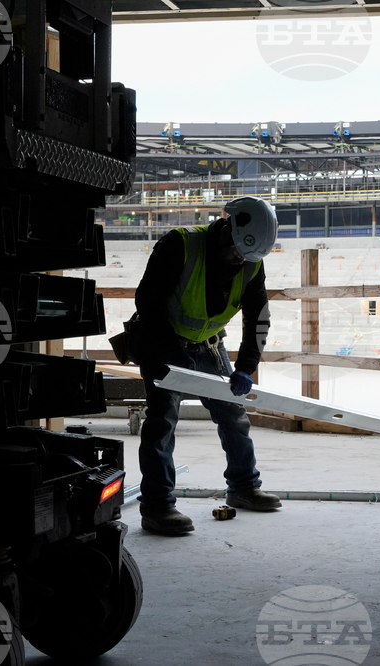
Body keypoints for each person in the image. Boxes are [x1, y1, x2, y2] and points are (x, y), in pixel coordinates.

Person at [133, 196, 281, 535]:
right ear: (228, 231)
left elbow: (258, 319)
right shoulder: (180, 245)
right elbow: (148, 303)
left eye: (245, 258)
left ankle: (244, 487)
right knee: (162, 424)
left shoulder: (250, 261)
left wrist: (246, 367)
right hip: (162, 343)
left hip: (210, 346)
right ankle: (157, 507)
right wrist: (173, 354)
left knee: (234, 415)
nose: (238, 263)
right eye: (236, 254)